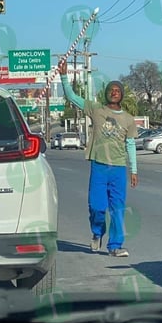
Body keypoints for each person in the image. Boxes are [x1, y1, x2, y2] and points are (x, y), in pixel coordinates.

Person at [58, 60, 138, 257]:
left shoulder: (128, 119)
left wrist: (133, 170)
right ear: (106, 93)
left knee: (118, 209)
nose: (114, 92)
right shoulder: (96, 110)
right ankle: (97, 232)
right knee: (96, 206)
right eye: (111, 90)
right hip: (99, 166)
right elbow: (72, 97)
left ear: (122, 95)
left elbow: (130, 145)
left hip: (118, 168)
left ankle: (116, 246)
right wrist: (63, 76)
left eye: (118, 91)